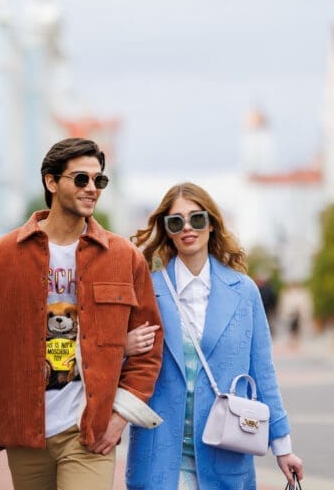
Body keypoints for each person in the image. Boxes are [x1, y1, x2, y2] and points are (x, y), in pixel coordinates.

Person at [0, 138, 164, 490]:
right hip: (25, 432)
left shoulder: (123, 257)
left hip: (87, 431)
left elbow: (149, 349)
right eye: (81, 179)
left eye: (99, 180)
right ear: (52, 182)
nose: (92, 188)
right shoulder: (1, 257)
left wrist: (118, 418)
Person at [125, 182, 303, 490]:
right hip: (159, 456)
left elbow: (262, 373)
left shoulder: (244, 291)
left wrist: (282, 446)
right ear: (167, 229)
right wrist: (124, 346)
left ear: (211, 224)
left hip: (225, 454)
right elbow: (121, 364)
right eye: (176, 221)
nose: (187, 228)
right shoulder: (147, 290)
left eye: (197, 218)